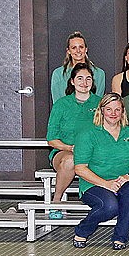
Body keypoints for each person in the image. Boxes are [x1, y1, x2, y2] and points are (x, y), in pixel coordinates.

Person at [72, 93, 129, 250]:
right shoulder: (88, 135)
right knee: (110, 206)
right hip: (93, 184)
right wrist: (106, 184)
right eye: (109, 109)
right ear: (101, 110)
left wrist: (128, 176)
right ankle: (82, 230)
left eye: (117, 109)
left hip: (122, 181)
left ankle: (120, 237)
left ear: (123, 112)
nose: (113, 113)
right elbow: (80, 168)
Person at [47, 63, 101, 202]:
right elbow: (51, 139)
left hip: (94, 152)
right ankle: (57, 200)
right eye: (80, 78)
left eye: (88, 79)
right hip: (65, 152)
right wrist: (70, 148)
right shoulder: (61, 104)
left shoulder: (100, 103)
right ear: (72, 81)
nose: (84, 83)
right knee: (70, 160)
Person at [50, 31, 106, 102]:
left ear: (86, 49)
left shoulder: (99, 74)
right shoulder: (58, 74)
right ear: (68, 51)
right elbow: (57, 103)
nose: (78, 51)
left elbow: (97, 102)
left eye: (81, 47)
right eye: (74, 48)